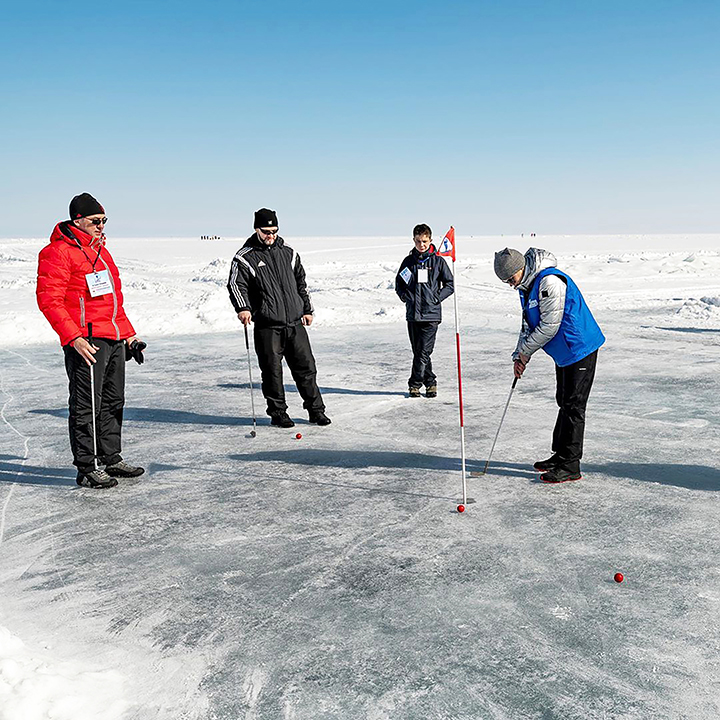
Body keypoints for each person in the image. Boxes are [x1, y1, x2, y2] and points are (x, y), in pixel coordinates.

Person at [36, 193, 145, 489]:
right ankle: (87, 467)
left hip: (113, 338)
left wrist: (129, 335)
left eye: (104, 221)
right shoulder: (57, 252)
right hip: (86, 341)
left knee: (112, 401)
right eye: (95, 221)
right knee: (87, 405)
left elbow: (114, 302)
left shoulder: (102, 252)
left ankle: (111, 457)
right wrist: (73, 337)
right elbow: (49, 300)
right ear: (78, 220)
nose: (101, 226)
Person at [494, 247, 605, 483]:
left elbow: (549, 326)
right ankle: (560, 455)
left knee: (574, 406)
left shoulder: (549, 282)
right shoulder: (527, 286)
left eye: (510, 278)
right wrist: (519, 355)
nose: (510, 285)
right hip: (564, 353)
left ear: (520, 269)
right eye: (506, 281)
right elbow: (528, 326)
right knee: (563, 401)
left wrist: (526, 353)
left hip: (579, 348)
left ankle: (571, 464)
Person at [227, 208, 330, 428]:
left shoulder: (289, 253)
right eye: (266, 231)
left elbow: (301, 284)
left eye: (274, 231)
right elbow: (236, 284)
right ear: (257, 229)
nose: (270, 235)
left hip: (294, 323)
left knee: (306, 368)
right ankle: (278, 413)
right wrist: (243, 308)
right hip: (267, 325)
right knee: (272, 371)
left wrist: (307, 310)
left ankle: (316, 410)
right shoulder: (244, 257)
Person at [395, 224, 454, 398]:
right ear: (414, 240)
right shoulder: (408, 262)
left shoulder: (438, 262)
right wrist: (405, 296)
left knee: (422, 352)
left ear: (430, 240)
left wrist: (436, 298)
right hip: (413, 314)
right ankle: (430, 382)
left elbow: (450, 285)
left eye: (425, 241)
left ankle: (414, 384)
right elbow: (399, 283)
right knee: (419, 351)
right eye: (419, 241)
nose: (422, 245)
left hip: (431, 315)